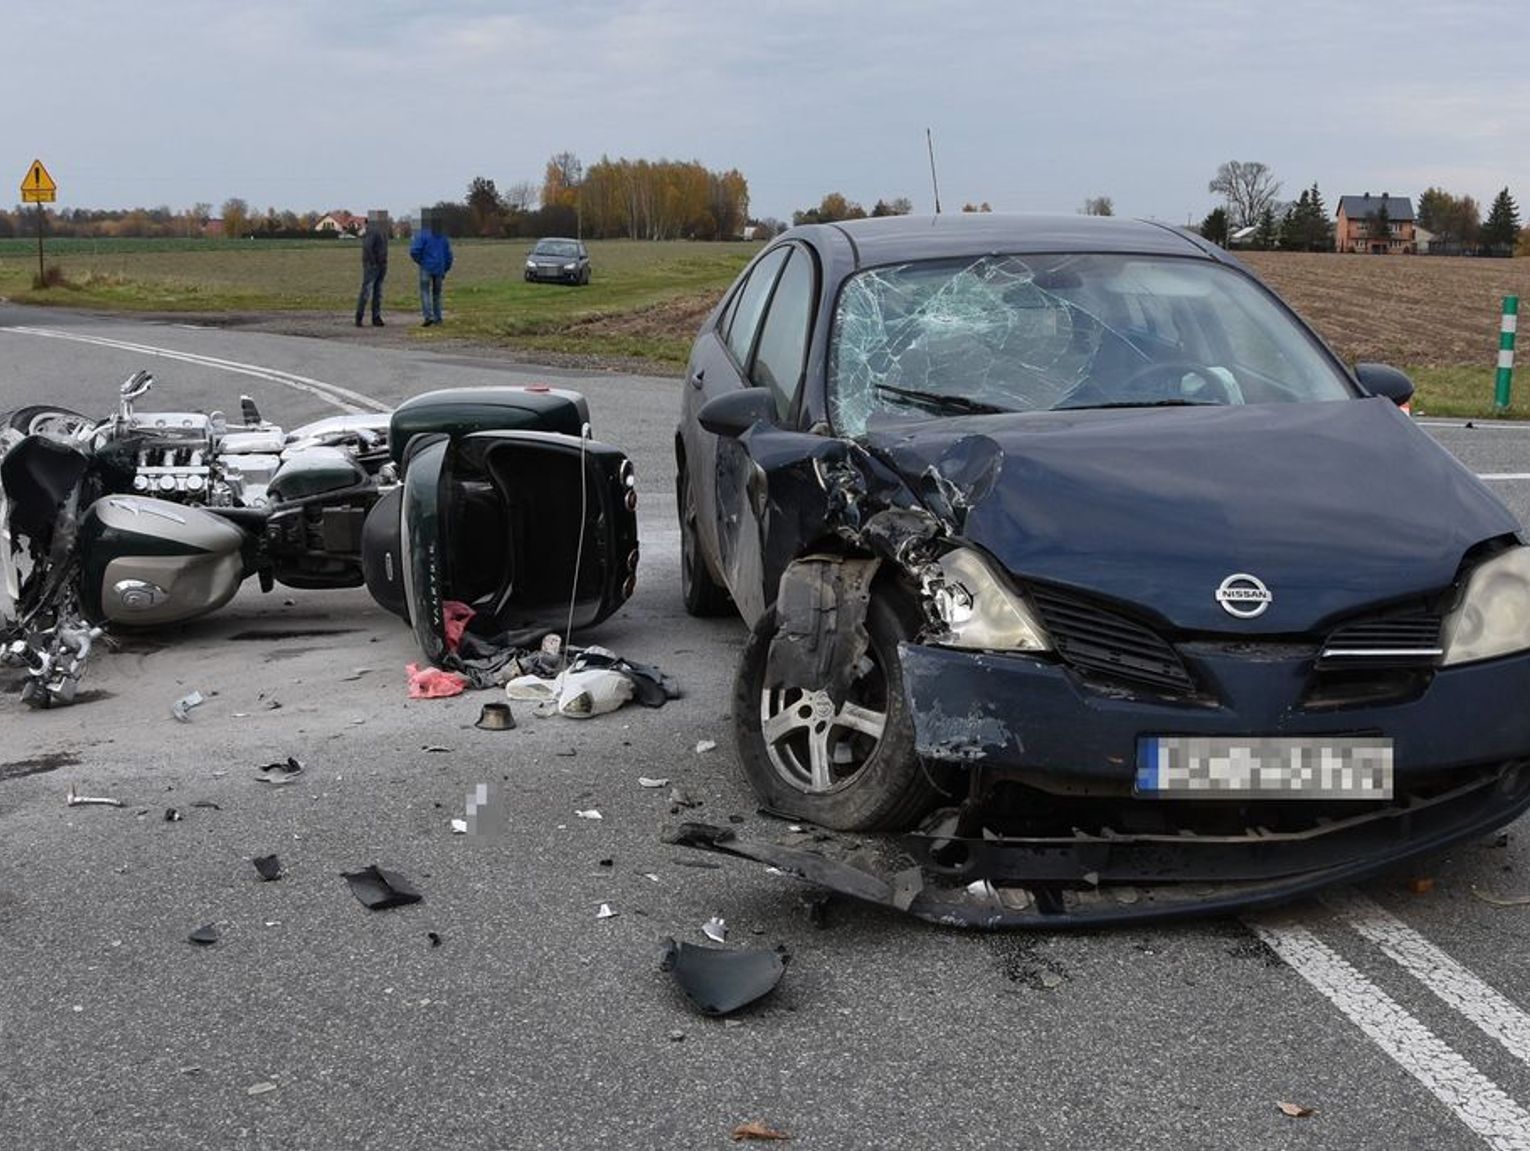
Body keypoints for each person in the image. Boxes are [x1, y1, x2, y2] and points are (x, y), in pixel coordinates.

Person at [409, 209, 454, 326]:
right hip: (439, 268)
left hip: (426, 267)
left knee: (425, 292)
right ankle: (438, 318)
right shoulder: (443, 237)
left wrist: (420, 261)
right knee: (437, 294)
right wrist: (446, 268)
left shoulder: (423, 234)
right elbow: (449, 255)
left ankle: (428, 316)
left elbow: (414, 251)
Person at [354, 210, 389, 327]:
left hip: (381, 264)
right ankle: (360, 316)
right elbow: (368, 247)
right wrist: (374, 262)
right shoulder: (373, 231)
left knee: (378, 292)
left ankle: (376, 317)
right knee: (367, 291)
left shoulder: (382, 231)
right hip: (372, 265)